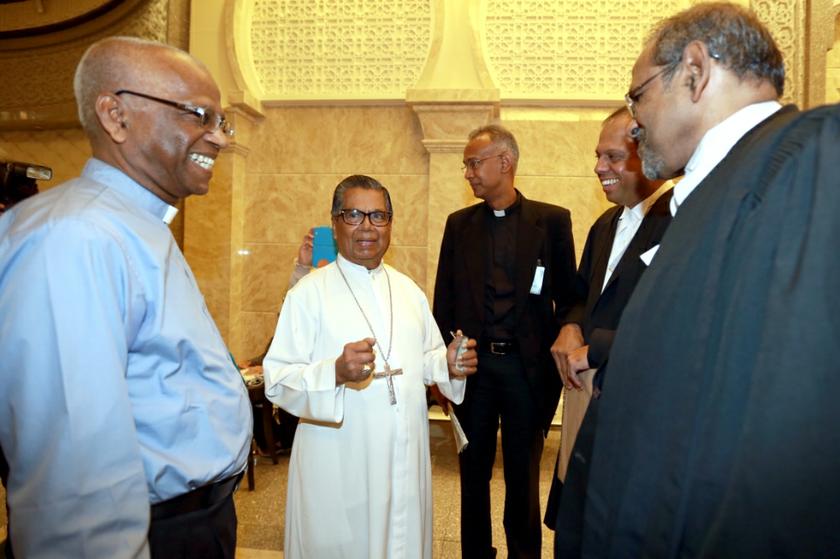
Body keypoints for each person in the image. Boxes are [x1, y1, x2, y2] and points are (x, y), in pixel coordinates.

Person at [558, 3, 840, 556]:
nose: (634, 121)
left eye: (636, 96)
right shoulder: (709, 195)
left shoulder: (810, 157)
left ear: (694, 71)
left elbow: (793, 444)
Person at [0, 37, 252, 558]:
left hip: (193, 523)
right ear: (116, 115)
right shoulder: (76, 237)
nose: (219, 139)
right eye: (198, 115)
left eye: (220, 121)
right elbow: (76, 487)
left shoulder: (136, 225)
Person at [263, 174, 478, 559]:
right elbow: (277, 380)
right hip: (339, 463)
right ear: (335, 221)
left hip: (405, 459)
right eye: (354, 215)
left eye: (378, 216)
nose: (367, 227)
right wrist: (335, 373)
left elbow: (425, 359)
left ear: (391, 223)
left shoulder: (408, 290)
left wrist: (449, 363)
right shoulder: (308, 294)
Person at [433, 124, 576, 558]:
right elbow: (444, 302)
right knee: (471, 473)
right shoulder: (458, 226)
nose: (468, 173)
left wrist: (569, 335)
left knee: (523, 476)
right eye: (466, 165)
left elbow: (569, 298)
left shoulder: (551, 222)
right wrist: (442, 370)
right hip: (474, 372)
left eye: (474, 163)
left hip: (526, 373)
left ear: (505, 163)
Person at [544, 106, 671, 530]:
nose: (600, 168)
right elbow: (580, 295)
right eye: (599, 156)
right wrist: (570, 326)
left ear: (648, 152)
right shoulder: (605, 224)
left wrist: (596, 347)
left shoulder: (679, 220)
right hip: (584, 396)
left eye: (613, 157)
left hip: (636, 405)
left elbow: (672, 323)